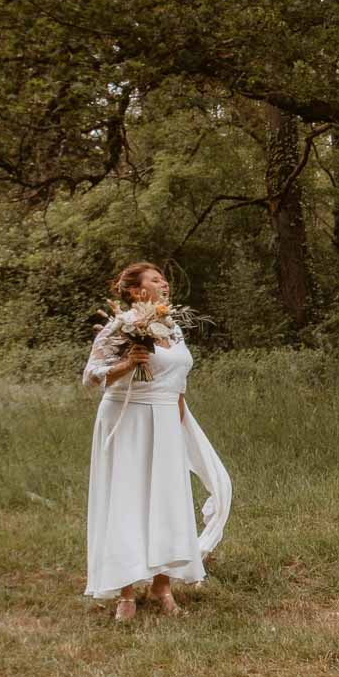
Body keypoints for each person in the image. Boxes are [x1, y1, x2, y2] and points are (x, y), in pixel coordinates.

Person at [82, 262, 231, 621]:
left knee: (167, 501)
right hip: (127, 417)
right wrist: (127, 365)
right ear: (136, 291)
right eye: (154, 279)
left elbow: (178, 379)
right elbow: (91, 377)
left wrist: (179, 426)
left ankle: (162, 587)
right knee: (127, 499)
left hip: (167, 419)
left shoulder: (173, 327)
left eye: (163, 278)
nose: (163, 282)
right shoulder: (120, 326)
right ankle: (126, 592)